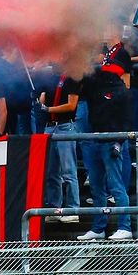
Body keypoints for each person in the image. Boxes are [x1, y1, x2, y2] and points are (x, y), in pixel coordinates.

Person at [78, 55, 132, 241]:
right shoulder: (94, 88)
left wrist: (118, 142)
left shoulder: (122, 93)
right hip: (96, 140)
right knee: (96, 187)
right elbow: (79, 79)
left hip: (110, 142)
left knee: (116, 186)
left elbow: (126, 121)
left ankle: (125, 227)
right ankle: (98, 228)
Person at [37, 67, 81, 220]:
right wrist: (41, 98)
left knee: (68, 170)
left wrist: (48, 108)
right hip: (50, 126)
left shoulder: (73, 76)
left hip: (65, 126)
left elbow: (71, 105)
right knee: (51, 171)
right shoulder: (51, 78)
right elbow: (41, 97)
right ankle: (54, 207)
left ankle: (73, 209)